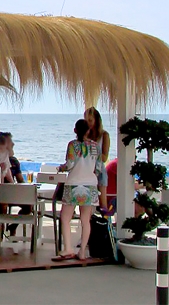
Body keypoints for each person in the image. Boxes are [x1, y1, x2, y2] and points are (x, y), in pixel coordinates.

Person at [52, 119, 102, 261]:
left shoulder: (73, 145)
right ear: (88, 130)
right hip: (90, 185)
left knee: (65, 217)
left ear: (75, 130)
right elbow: (98, 167)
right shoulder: (95, 146)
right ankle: (82, 252)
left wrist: (60, 168)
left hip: (74, 184)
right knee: (85, 220)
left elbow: (70, 164)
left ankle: (68, 248)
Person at [85, 107, 112, 216]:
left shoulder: (104, 135)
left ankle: (104, 227)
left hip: (99, 171)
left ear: (96, 120)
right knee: (87, 204)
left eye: (90, 120)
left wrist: (92, 151)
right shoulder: (85, 135)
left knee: (103, 205)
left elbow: (105, 157)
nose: (88, 123)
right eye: (86, 121)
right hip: (87, 171)